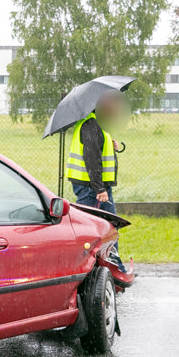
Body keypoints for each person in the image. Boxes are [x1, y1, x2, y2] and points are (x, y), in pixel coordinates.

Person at [67, 90, 129, 272]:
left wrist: (114, 145)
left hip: (95, 188)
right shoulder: (91, 126)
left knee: (109, 230)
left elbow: (100, 149)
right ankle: (83, 268)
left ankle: (115, 268)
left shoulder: (97, 126)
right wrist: (99, 189)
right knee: (90, 231)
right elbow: (92, 159)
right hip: (92, 189)